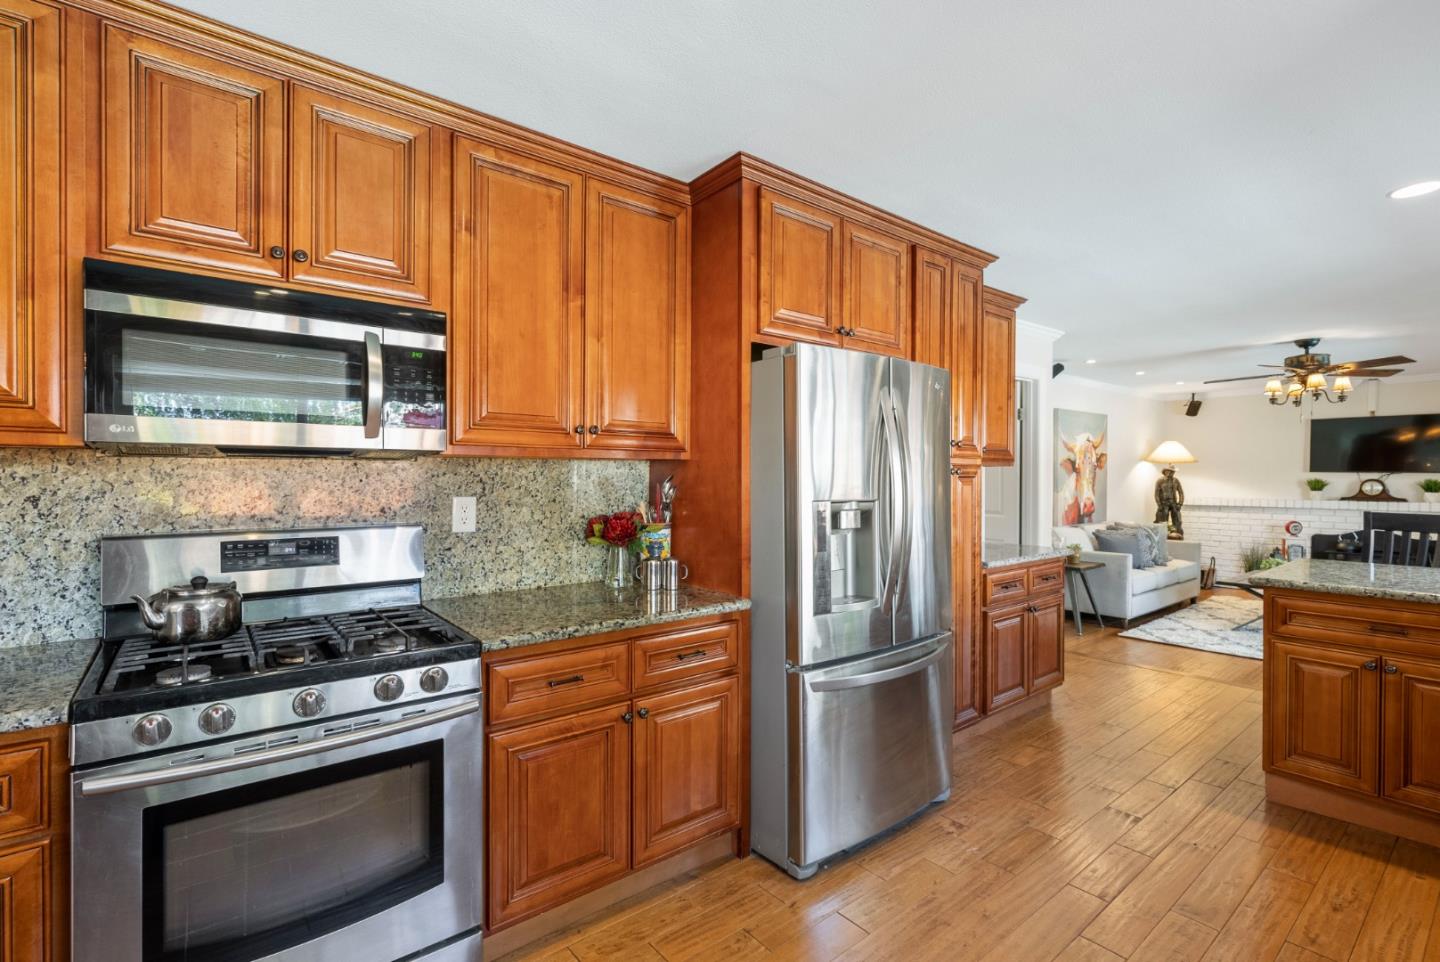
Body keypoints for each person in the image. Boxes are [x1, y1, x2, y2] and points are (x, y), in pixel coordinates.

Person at [1154, 467, 1185, 539]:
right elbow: (1156, 494)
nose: (1172, 473)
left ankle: (1176, 534)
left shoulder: (1176, 480)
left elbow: (1181, 493)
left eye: (1173, 472)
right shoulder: (1160, 481)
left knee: (1177, 519)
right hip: (1164, 503)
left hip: (1173, 502)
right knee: (1163, 521)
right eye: (1170, 471)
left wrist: (1180, 503)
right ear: (1165, 472)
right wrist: (1159, 505)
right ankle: (1163, 536)